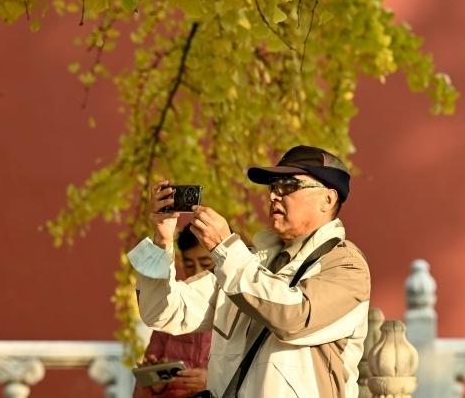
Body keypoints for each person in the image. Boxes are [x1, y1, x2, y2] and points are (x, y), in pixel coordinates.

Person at [128, 145, 371, 397]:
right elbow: (164, 312)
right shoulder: (249, 261)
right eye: (272, 187)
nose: (274, 196)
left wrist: (224, 248)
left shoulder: (346, 266)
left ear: (327, 199)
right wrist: (162, 240)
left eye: (288, 185)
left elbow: (293, 317)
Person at [133, 224, 214, 398]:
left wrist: (213, 381)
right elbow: (141, 391)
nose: (198, 272)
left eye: (206, 264)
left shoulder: (236, 307)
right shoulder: (170, 307)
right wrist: (155, 385)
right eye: (189, 264)